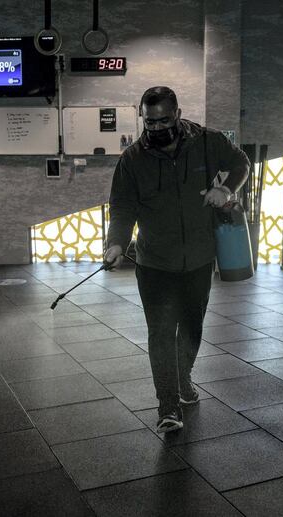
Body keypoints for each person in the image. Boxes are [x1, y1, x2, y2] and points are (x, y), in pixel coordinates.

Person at [104, 86, 249, 433]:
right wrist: (115, 244)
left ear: (178, 114)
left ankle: (183, 377)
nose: (156, 128)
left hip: (199, 258)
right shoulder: (133, 159)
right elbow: (123, 208)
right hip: (154, 262)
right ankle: (168, 405)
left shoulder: (207, 142)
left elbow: (240, 162)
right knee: (160, 332)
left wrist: (226, 189)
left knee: (193, 328)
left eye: (163, 120)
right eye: (149, 122)